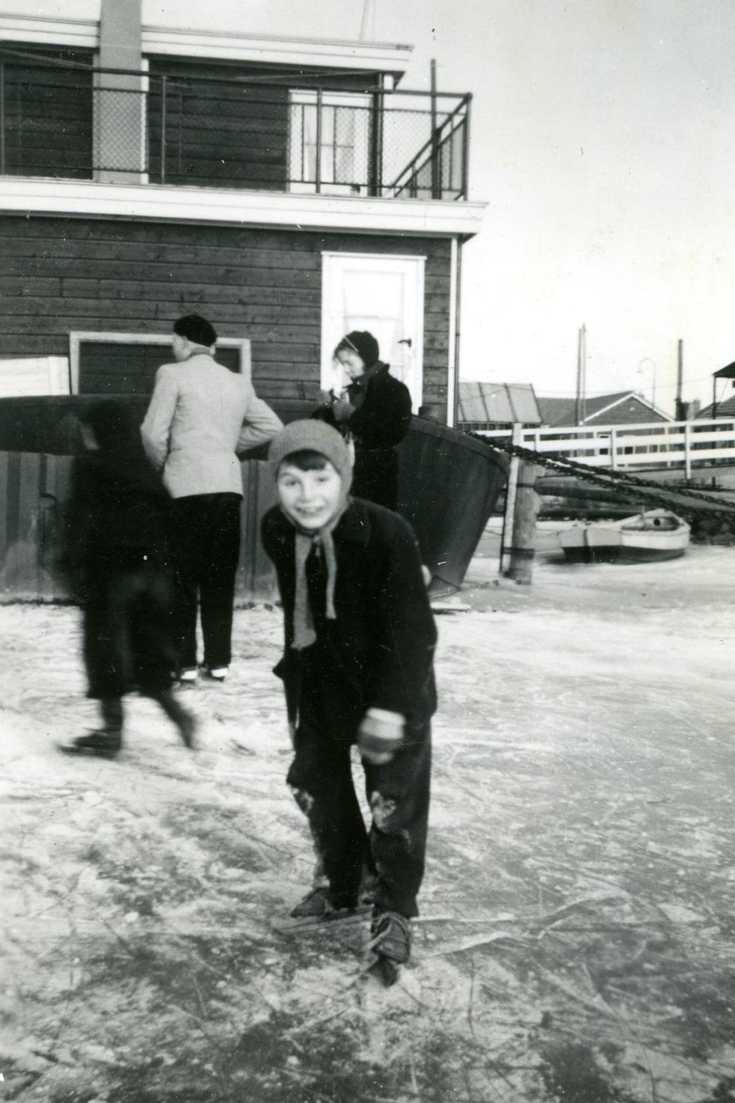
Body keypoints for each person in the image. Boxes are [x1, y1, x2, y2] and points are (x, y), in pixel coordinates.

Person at [261, 419, 437, 973]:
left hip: (392, 687)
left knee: (392, 801)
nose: (307, 496)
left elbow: (414, 633)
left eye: (320, 478)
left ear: (344, 476)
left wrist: (390, 709)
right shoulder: (275, 528)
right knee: (315, 781)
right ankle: (347, 883)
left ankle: (395, 908)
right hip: (320, 683)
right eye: (291, 481)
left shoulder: (387, 534)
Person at [141, 314, 282, 683]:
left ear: (184, 342)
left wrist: (164, 467)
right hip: (226, 487)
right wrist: (225, 447)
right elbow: (272, 426)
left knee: (182, 577)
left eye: (174, 341)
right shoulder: (238, 382)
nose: (173, 347)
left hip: (183, 486)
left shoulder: (171, 374)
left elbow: (152, 433)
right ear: (213, 347)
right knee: (219, 577)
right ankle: (218, 661)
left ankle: (183, 663)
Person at [58, 400, 196, 759]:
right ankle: (178, 714)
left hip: (110, 574)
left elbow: (79, 518)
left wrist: (70, 565)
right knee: (148, 649)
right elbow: (172, 523)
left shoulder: (91, 467)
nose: (87, 437)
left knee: (105, 650)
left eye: (90, 430)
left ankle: (110, 732)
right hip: (153, 577)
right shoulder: (145, 470)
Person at [328, 330, 412, 510]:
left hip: (376, 480)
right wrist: (327, 409)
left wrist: (351, 414)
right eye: (343, 364)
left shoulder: (394, 390)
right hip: (346, 475)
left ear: (365, 357)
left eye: (349, 363)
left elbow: (392, 434)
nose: (346, 369)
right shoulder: (353, 390)